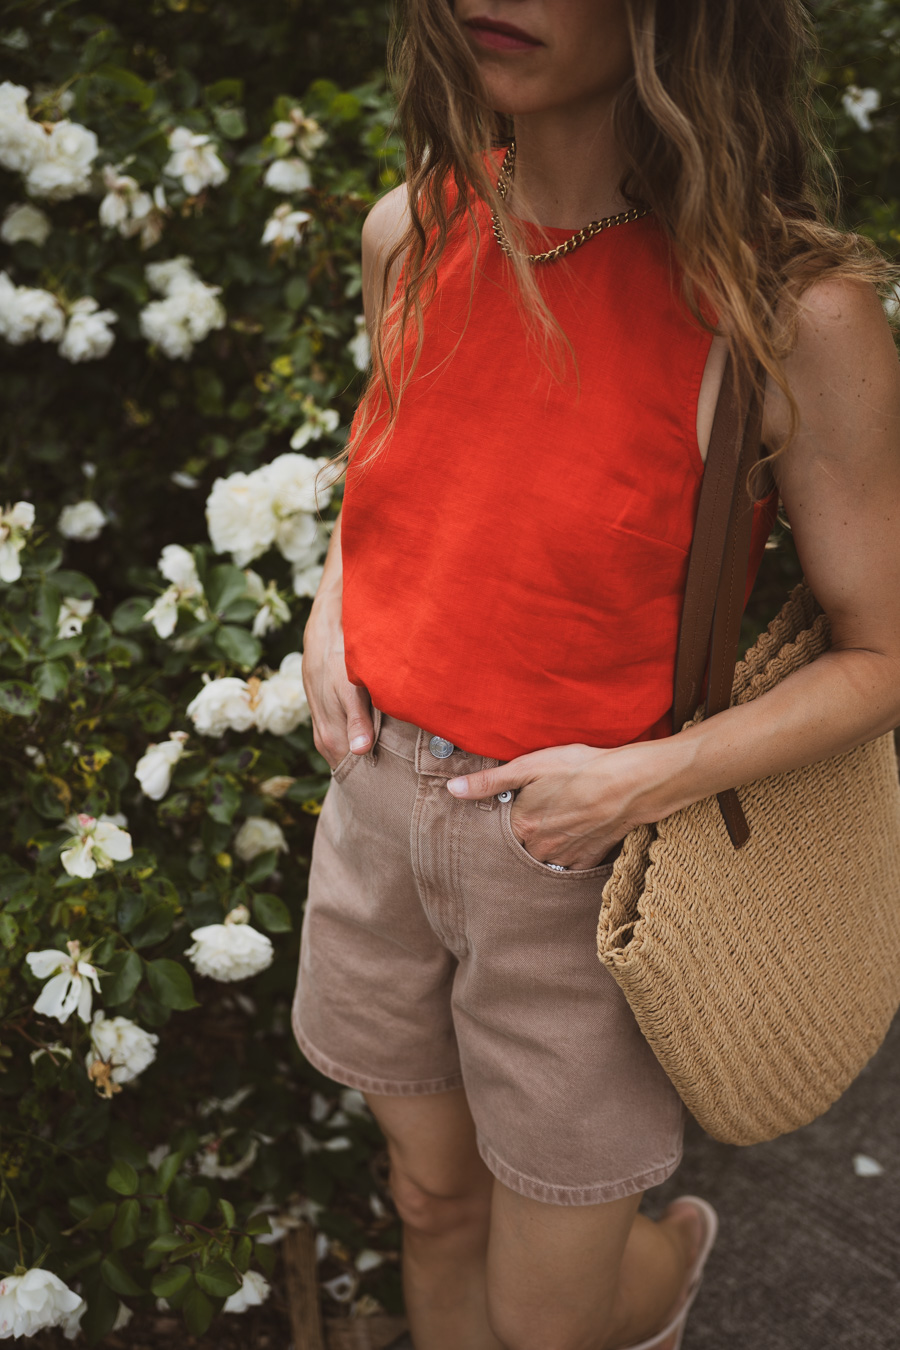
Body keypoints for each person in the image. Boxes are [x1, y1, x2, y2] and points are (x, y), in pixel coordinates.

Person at [293, 2, 900, 1347]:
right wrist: (334, 608)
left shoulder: (788, 312)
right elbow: (396, 483)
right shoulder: (414, 230)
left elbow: (881, 657)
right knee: (428, 1197)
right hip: (377, 813)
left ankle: (668, 1257)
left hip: (578, 868)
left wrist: (648, 775)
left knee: (550, 1314)